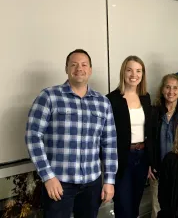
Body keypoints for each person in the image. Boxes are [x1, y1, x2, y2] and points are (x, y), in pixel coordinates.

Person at [25, 49, 117, 218]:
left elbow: (109, 144)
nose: (79, 68)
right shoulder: (49, 97)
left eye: (83, 65)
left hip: (92, 183)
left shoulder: (102, 102)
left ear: (90, 70)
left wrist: (109, 180)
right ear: (66, 69)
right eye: (73, 64)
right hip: (59, 183)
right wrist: (48, 176)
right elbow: (33, 137)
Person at [106, 56, 151, 218]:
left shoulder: (146, 97)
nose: (134, 74)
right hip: (122, 159)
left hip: (142, 157)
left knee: (135, 205)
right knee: (123, 207)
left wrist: (151, 162)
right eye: (130, 70)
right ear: (123, 72)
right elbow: (107, 134)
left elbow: (150, 131)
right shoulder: (112, 99)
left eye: (138, 71)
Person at [147, 74, 178, 218]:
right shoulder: (153, 112)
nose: (171, 91)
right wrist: (149, 163)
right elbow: (150, 140)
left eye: (175, 88)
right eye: (167, 87)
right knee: (157, 209)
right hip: (158, 170)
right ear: (162, 89)